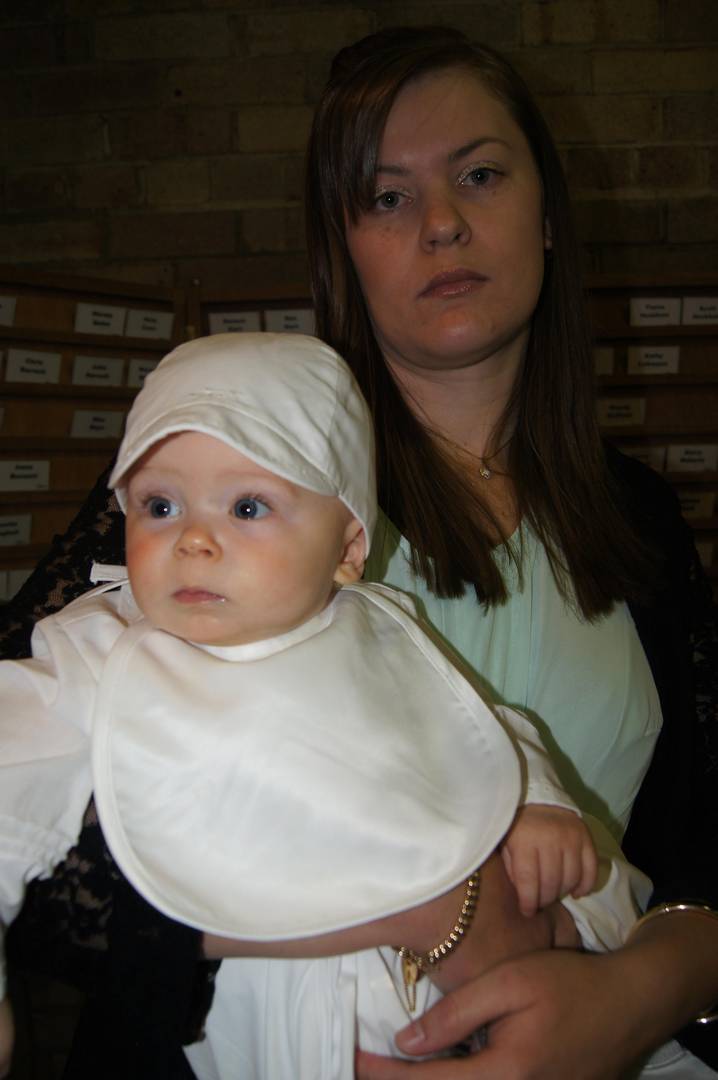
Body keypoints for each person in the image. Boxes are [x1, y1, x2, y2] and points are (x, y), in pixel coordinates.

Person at [2, 22, 716, 1080]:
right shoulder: (213, 488)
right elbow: (30, 804)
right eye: (386, 196)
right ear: (343, 246)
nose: (442, 222)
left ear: (548, 212)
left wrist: (643, 992)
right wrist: (433, 909)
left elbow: (699, 841)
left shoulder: (640, 516)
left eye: (480, 174)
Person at [0, 330, 643, 1080]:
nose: (194, 540)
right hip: (246, 1028)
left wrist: (537, 804)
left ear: (346, 549)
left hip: (435, 1015)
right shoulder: (101, 648)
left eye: (247, 506)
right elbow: (11, 778)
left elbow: (479, 727)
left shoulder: (380, 632)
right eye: (160, 505)